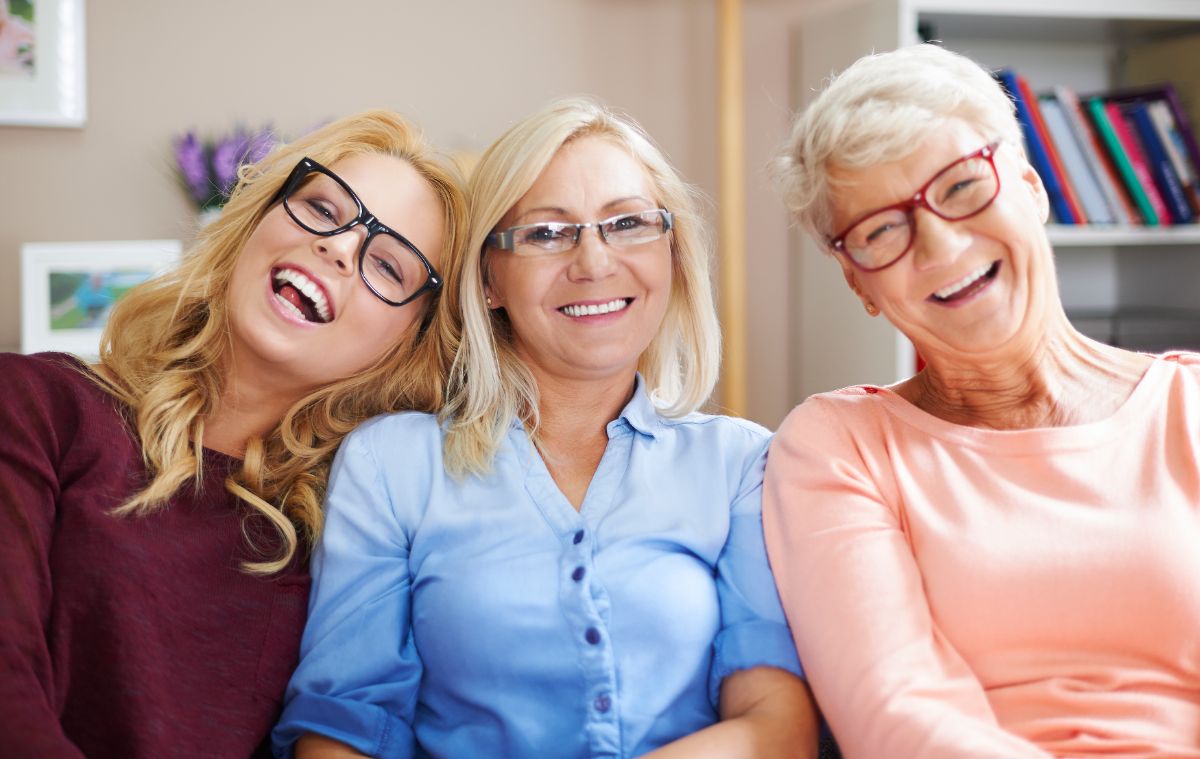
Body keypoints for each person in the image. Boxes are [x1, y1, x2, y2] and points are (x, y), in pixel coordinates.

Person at [273, 96, 818, 759]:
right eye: (545, 233)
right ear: (490, 279)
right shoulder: (391, 464)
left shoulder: (741, 462)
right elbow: (341, 729)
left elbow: (777, 727)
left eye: (627, 223)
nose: (593, 262)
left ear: (671, 254)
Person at [764, 42, 1200, 759]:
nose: (939, 245)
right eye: (880, 230)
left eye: (962, 186)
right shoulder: (837, 445)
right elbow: (894, 714)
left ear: (1031, 187)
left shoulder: (1188, 406)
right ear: (858, 285)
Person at [0, 109, 468, 758]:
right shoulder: (35, 407)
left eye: (388, 265)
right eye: (324, 208)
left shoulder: (353, 551)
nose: (338, 245)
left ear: (405, 348)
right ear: (253, 222)